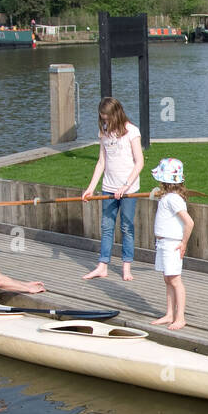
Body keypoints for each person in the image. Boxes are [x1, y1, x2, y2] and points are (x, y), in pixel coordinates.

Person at [82, 97, 144, 281]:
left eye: (108, 118)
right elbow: (101, 162)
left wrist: (126, 186)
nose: (105, 122)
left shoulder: (132, 132)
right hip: (108, 188)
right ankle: (102, 265)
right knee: (107, 226)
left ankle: (126, 267)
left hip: (129, 189)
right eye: (103, 119)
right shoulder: (104, 132)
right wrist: (90, 188)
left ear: (116, 114)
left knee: (126, 227)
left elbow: (139, 162)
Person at [149, 159, 194, 330]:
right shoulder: (168, 197)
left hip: (171, 244)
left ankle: (180, 317)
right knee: (167, 279)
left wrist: (183, 243)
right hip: (162, 243)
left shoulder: (173, 199)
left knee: (175, 280)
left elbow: (189, 223)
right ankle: (169, 314)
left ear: (165, 180)